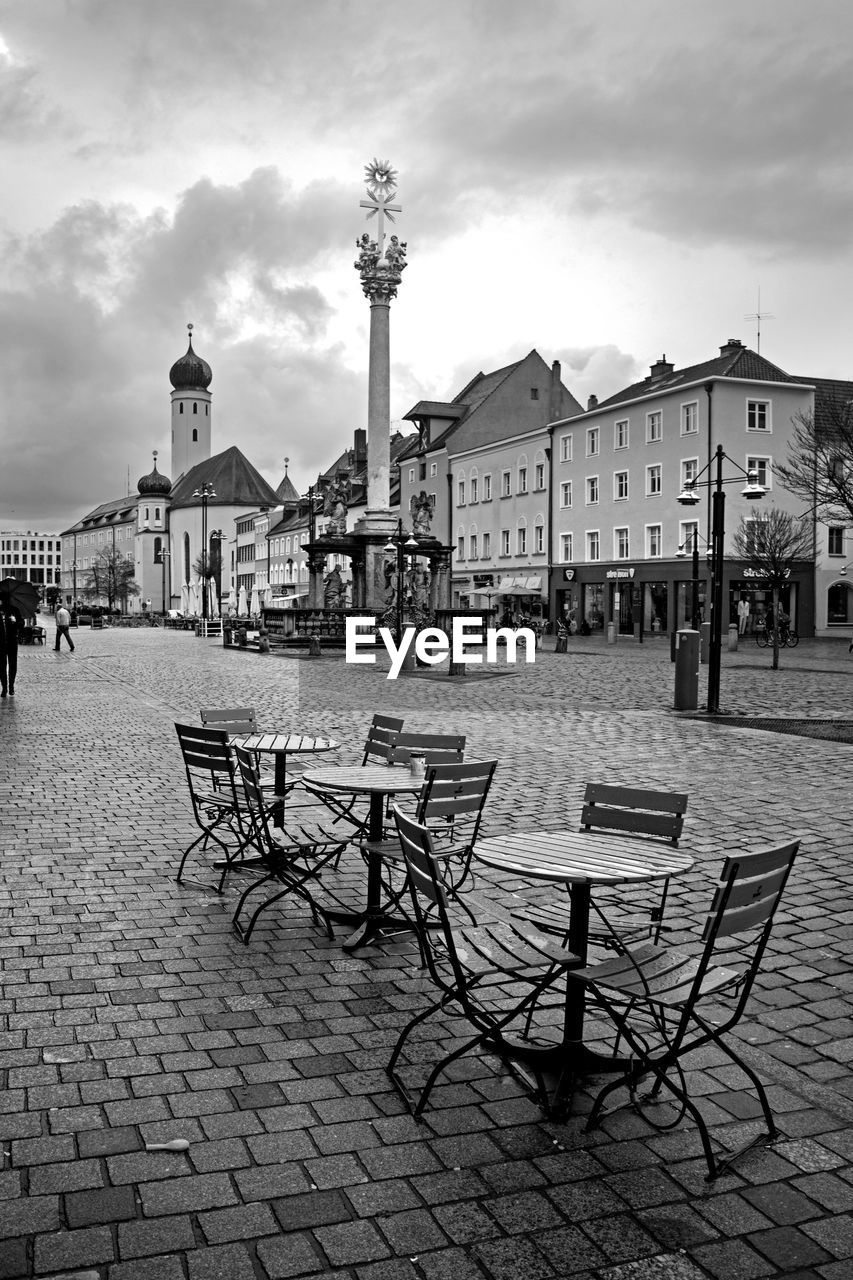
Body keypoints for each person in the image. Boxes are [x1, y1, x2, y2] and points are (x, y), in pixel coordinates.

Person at [0, 594, 20, 696]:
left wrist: (15, 621)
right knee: (1, 667)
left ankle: (11, 686)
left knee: (13, 665)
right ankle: (4, 688)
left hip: (12, 641)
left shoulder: (14, 610)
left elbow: (21, 625)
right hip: (1, 643)